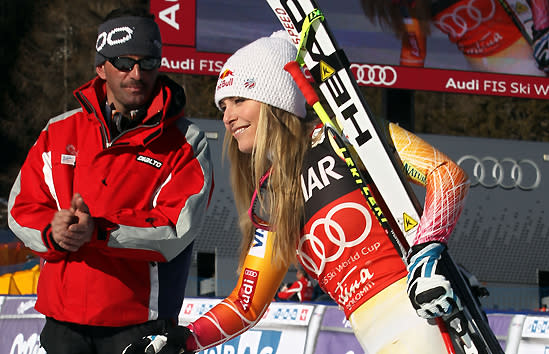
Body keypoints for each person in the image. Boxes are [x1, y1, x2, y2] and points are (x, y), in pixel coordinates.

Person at [124, 30, 469, 354]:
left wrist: (427, 253)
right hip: (375, 338)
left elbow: (446, 175)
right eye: (223, 106)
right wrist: (187, 339)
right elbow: (247, 304)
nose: (227, 117)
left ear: (275, 100)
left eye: (239, 100)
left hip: (428, 320)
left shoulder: (345, 135)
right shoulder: (272, 196)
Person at [7, 7, 213, 354]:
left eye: (147, 62)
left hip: (140, 326)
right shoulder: (59, 131)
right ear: (101, 67)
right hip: (63, 325)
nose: (136, 73)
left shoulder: (186, 141)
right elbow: (20, 208)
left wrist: (100, 230)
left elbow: (177, 229)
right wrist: (52, 230)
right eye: (123, 62)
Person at [360, 0, 549, 76]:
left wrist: (543, 33)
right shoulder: (411, 6)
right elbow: (413, 54)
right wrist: (402, 99)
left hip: (530, 62)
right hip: (480, 80)